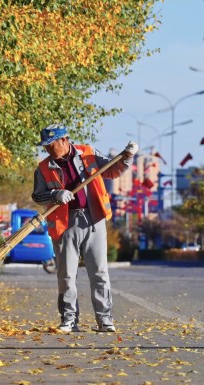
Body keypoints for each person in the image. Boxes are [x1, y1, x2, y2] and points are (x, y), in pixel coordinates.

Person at [32, 124, 137, 332]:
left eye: (52, 145)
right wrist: (55, 194)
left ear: (64, 140)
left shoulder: (88, 153)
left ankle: (105, 319)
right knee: (66, 275)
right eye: (46, 147)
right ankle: (69, 319)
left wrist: (126, 157)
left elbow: (113, 170)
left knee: (99, 272)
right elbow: (37, 195)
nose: (49, 150)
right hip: (64, 223)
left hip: (93, 219)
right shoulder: (43, 168)